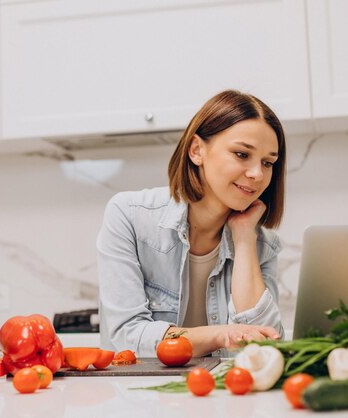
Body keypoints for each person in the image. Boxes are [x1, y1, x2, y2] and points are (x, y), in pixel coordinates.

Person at [97, 90, 286, 358]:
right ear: (197, 150)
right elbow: (127, 336)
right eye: (242, 154)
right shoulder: (129, 216)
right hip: (137, 395)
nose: (257, 174)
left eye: (268, 163)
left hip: (223, 394)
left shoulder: (262, 244)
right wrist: (222, 334)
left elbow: (263, 348)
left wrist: (244, 238)